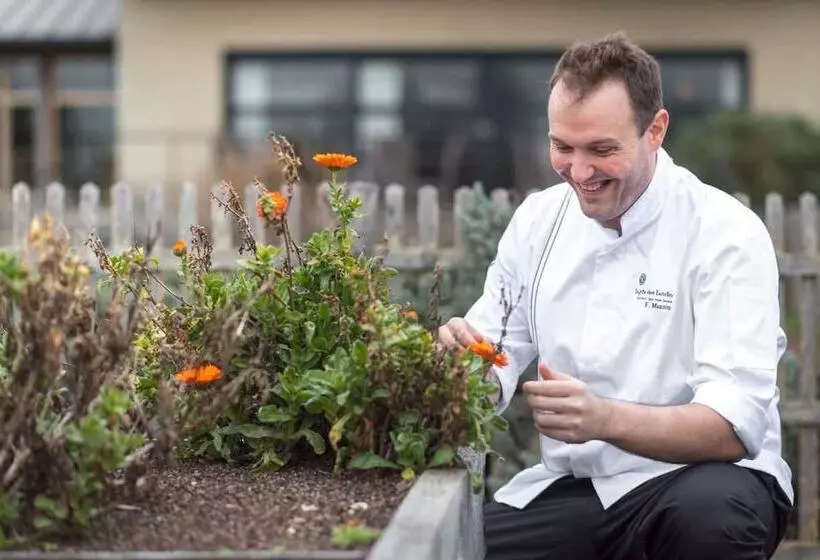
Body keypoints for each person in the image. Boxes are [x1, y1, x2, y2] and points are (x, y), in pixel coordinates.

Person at [438, 33, 794, 560]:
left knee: (710, 521)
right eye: (563, 147)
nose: (580, 172)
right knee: (457, 547)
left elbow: (732, 428)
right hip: (578, 490)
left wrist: (603, 419)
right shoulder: (538, 222)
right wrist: (459, 366)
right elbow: (492, 360)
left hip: (707, 481)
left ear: (656, 130)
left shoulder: (725, 232)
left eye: (602, 150)